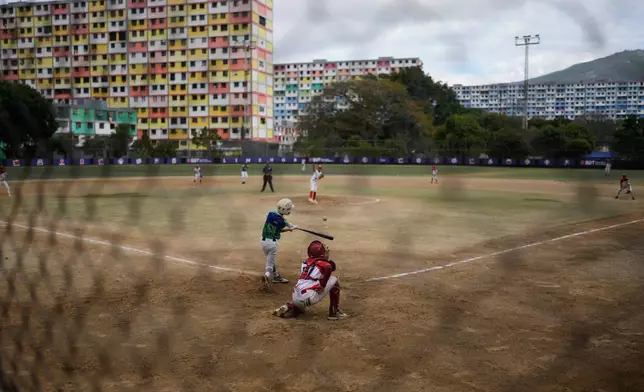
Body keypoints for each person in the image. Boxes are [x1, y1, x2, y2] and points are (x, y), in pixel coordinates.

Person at [272, 240, 348, 320]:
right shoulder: (322, 263)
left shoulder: (305, 262)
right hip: (308, 297)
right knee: (334, 280)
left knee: (301, 305)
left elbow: (324, 268)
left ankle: (289, 307)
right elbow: (328, 267)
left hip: (295, 296)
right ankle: (334, 312)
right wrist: (322, 285)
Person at [260, 198, 297, 290]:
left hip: (263, 242)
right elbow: (281, 228)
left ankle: (276, 276)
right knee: (269, 264)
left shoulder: (271, 214)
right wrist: (290, 228)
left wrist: (290, 226)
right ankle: (267, 276)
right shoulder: (281, 222)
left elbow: (281, 219)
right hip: (272, 244)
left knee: (270, 260)